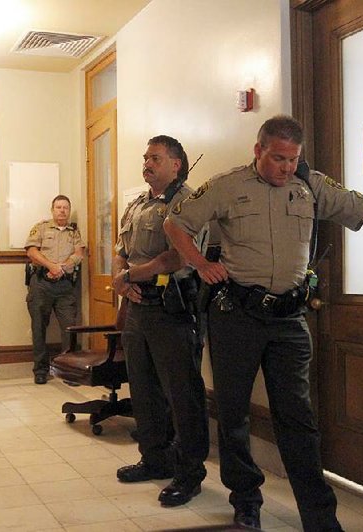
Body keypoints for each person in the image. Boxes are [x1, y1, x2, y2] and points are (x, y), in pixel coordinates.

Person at [164, 115, 363, 530]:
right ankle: (246, 498)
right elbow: (175, 222)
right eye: (278, 158)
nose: (286, 167)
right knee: (233, 414)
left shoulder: (311, 186)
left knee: (299, 420)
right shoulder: (226, 186)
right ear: (258, 150)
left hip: (289, 320)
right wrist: (199, 264)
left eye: (293, 159)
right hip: (237, 315)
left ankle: (319, 519)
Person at [112, 135, 209, 507]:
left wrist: (131, 276)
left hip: (173, 306)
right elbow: (120, 250)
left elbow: (178, 258)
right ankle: (154, 459)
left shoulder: (189, 202)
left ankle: (189, 472)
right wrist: (122, 279)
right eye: (145, 157)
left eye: (155, 158)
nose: (147, 163)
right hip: (138, 306)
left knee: (182, 393)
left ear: (176, 164)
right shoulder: (138, 204)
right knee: (144, 387)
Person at [24, 195, 85, 384]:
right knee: (39, 327)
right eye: (58, 207)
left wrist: (63, 267)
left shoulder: (74, 232)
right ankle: (40, 370)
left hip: (65, 285)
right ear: (52, 210)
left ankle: (68, 370)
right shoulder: (41, 227)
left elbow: (79, 254)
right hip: (42, 283)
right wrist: (51, 266)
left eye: (66, 207)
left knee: (69, 327)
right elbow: (31, 251)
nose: (62, 210)